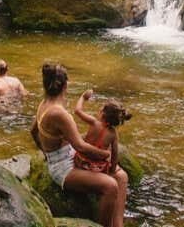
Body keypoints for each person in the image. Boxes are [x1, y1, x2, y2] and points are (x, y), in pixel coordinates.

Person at [30, 63, 129, 227]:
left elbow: (33, 131)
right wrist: (104, 154)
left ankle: (118, 225)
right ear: (65, 85)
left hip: (65, 154)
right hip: (63, 167)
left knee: (122, 176)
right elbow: (80, 146)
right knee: (111, 186)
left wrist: (46, 152)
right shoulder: (59, 113)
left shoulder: (44, 104)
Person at [73, 90, 132, 175]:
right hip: (97, 168)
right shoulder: (113, 134)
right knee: (108, 152)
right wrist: (112, 171)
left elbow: (77, 111)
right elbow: (115, 154)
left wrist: (83, 97)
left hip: (80, 162)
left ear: (102, 112)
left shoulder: (94, 122)